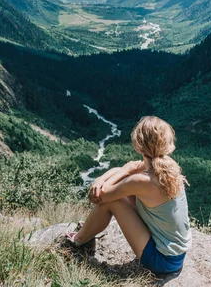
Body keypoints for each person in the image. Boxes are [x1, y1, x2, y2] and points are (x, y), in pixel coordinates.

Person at [65, 116, 192, 275]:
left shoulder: (141, 181)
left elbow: (100, 196)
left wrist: (120, 172)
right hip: (176, 255)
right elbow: (127, 170)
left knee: (113, 202)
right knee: (122, 189)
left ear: (138, 145)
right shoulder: (167, 166)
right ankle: (85, 236)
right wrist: (102, 178)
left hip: (162, 261)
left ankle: (77, 242)